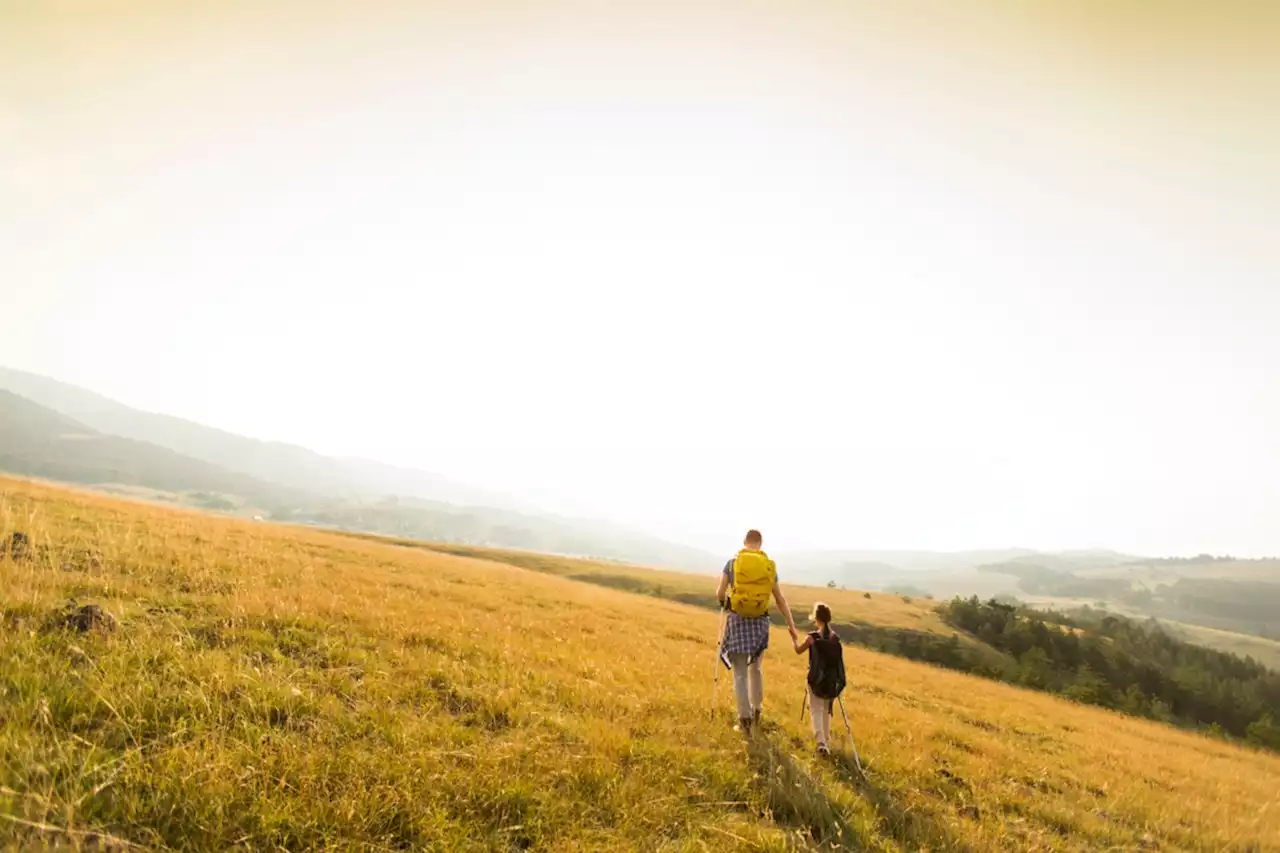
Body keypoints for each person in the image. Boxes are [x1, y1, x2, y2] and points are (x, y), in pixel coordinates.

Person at [715, 529, 798, 735]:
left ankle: (744, 719)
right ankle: (757, 710)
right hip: (760, 623)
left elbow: (719, 592)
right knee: (756, 669)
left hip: (738, 620)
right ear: (760, 543)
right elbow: (779, 599)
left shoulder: (732, 563)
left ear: (745, 542)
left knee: (740, 673)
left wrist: (725, 605)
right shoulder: (768, 566)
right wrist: (791, 625)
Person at [793, 601, 846, 756]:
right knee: (826, 709)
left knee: (815, 709)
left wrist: (793, 638)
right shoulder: (835, 639)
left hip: (815, 679)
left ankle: (821, 742)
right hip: (831, 682)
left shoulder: (812, 638)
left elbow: (797, 650)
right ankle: (826, 740)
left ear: (816, 619)